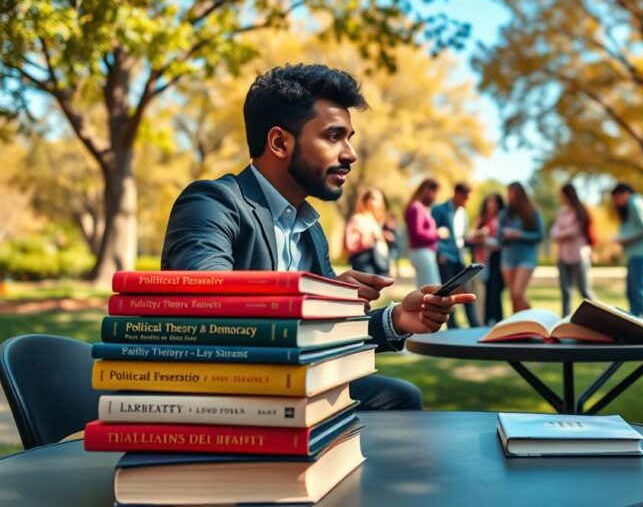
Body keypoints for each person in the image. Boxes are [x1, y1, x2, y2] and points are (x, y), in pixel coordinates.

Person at [162, 64, 474, 411]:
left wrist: (398, 318)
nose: (350, 154)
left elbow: (325, 330)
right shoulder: (211, 202)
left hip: (288, 381)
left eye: (349, 139)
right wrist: (317, 297)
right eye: (332, 136)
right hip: (213, 393)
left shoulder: (309, 226)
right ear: (280, 142)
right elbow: (208, 300)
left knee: (400, 397)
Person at [432, 182, 479, 328]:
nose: (466, 201)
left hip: (459, 256)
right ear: (457, 194)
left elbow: (462, 237)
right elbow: (433, 233)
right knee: (449, 293)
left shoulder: (463, 214)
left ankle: (474, 324)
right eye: (465, 197)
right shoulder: (440, 209)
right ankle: (452, 326)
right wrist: (440, 252)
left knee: (466, 290)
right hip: (446, 257)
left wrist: (475, 237)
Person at [611, 183, 643, 322]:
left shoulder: (635, 203)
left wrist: (624, 239)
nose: (616, 202)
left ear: (624, 193)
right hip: (635, 254)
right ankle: (635, 322)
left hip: (639, 254)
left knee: (638, 291)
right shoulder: (634, 204)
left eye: (616, 198)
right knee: (632, 292)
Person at [550, 183, 596, 317]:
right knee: (565, 292)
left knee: (584, 290)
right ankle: (564, 321)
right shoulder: (562, 212)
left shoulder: (580, 212)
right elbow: (554, 232)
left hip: (578, 255)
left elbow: (574, 231)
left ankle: (599, 317)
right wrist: (562, 233)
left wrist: (561, 233)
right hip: (562, 256)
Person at [498, 182, 544, 312]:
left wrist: (519, 234)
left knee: (518, 292)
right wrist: (505, 236)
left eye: (512, 192)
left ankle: (534, 317)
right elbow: (499, 239)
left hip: (526, 257)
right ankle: (518, 326)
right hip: (508, 257)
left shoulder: (533, 212)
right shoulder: (504, 214)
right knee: (513, 296)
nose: (509, 196)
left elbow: (539, 236)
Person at [405, 178, 448, 288]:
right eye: (434, 192)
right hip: (422, 252)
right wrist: (438, 234)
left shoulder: (420, 207)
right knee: (432, 288)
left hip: (425, 252)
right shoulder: (417, 207)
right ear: (426, 190)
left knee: (424, 288)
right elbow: (417, 233)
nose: (435, 197)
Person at [471, 192, 505, 325]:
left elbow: (500, 243)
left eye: (494, 202)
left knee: (494, 292)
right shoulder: (481, 220)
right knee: (481, 295)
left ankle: (496, 320)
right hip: (480, 260)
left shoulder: (501, 220)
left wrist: (485, 241)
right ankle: (482, 321)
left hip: (495, 260)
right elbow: (472, 237)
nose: (491, 205)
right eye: (489, 202)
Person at [343, 187, 390, 275]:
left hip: (378, 262)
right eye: (373, 198)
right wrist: (371, 237)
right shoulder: (357, 219)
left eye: (380, 199)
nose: (377, 202)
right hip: (364, 262)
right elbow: (350, 244)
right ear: (365, 200)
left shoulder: (375, 221)